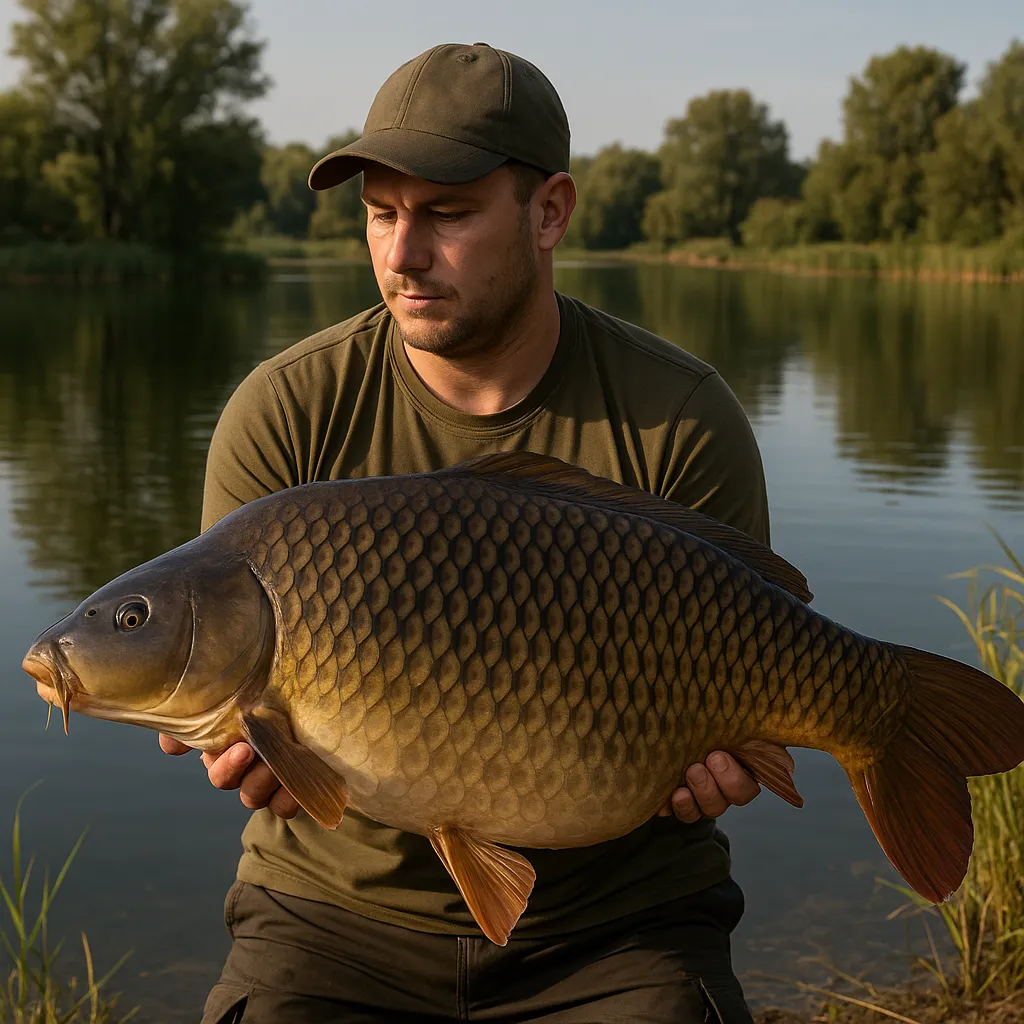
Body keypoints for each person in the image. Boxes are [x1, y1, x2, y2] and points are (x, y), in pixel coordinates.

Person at [173, 41, 782, 1024]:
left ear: (549, 213)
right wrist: (253, 754)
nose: (402, 254)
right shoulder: (283, 412)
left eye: (446, 214)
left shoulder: (677, 414)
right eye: (381, 214)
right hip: (331, 920)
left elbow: (751, 667)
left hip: (617, 925)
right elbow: (232, 689)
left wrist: (727, 759)